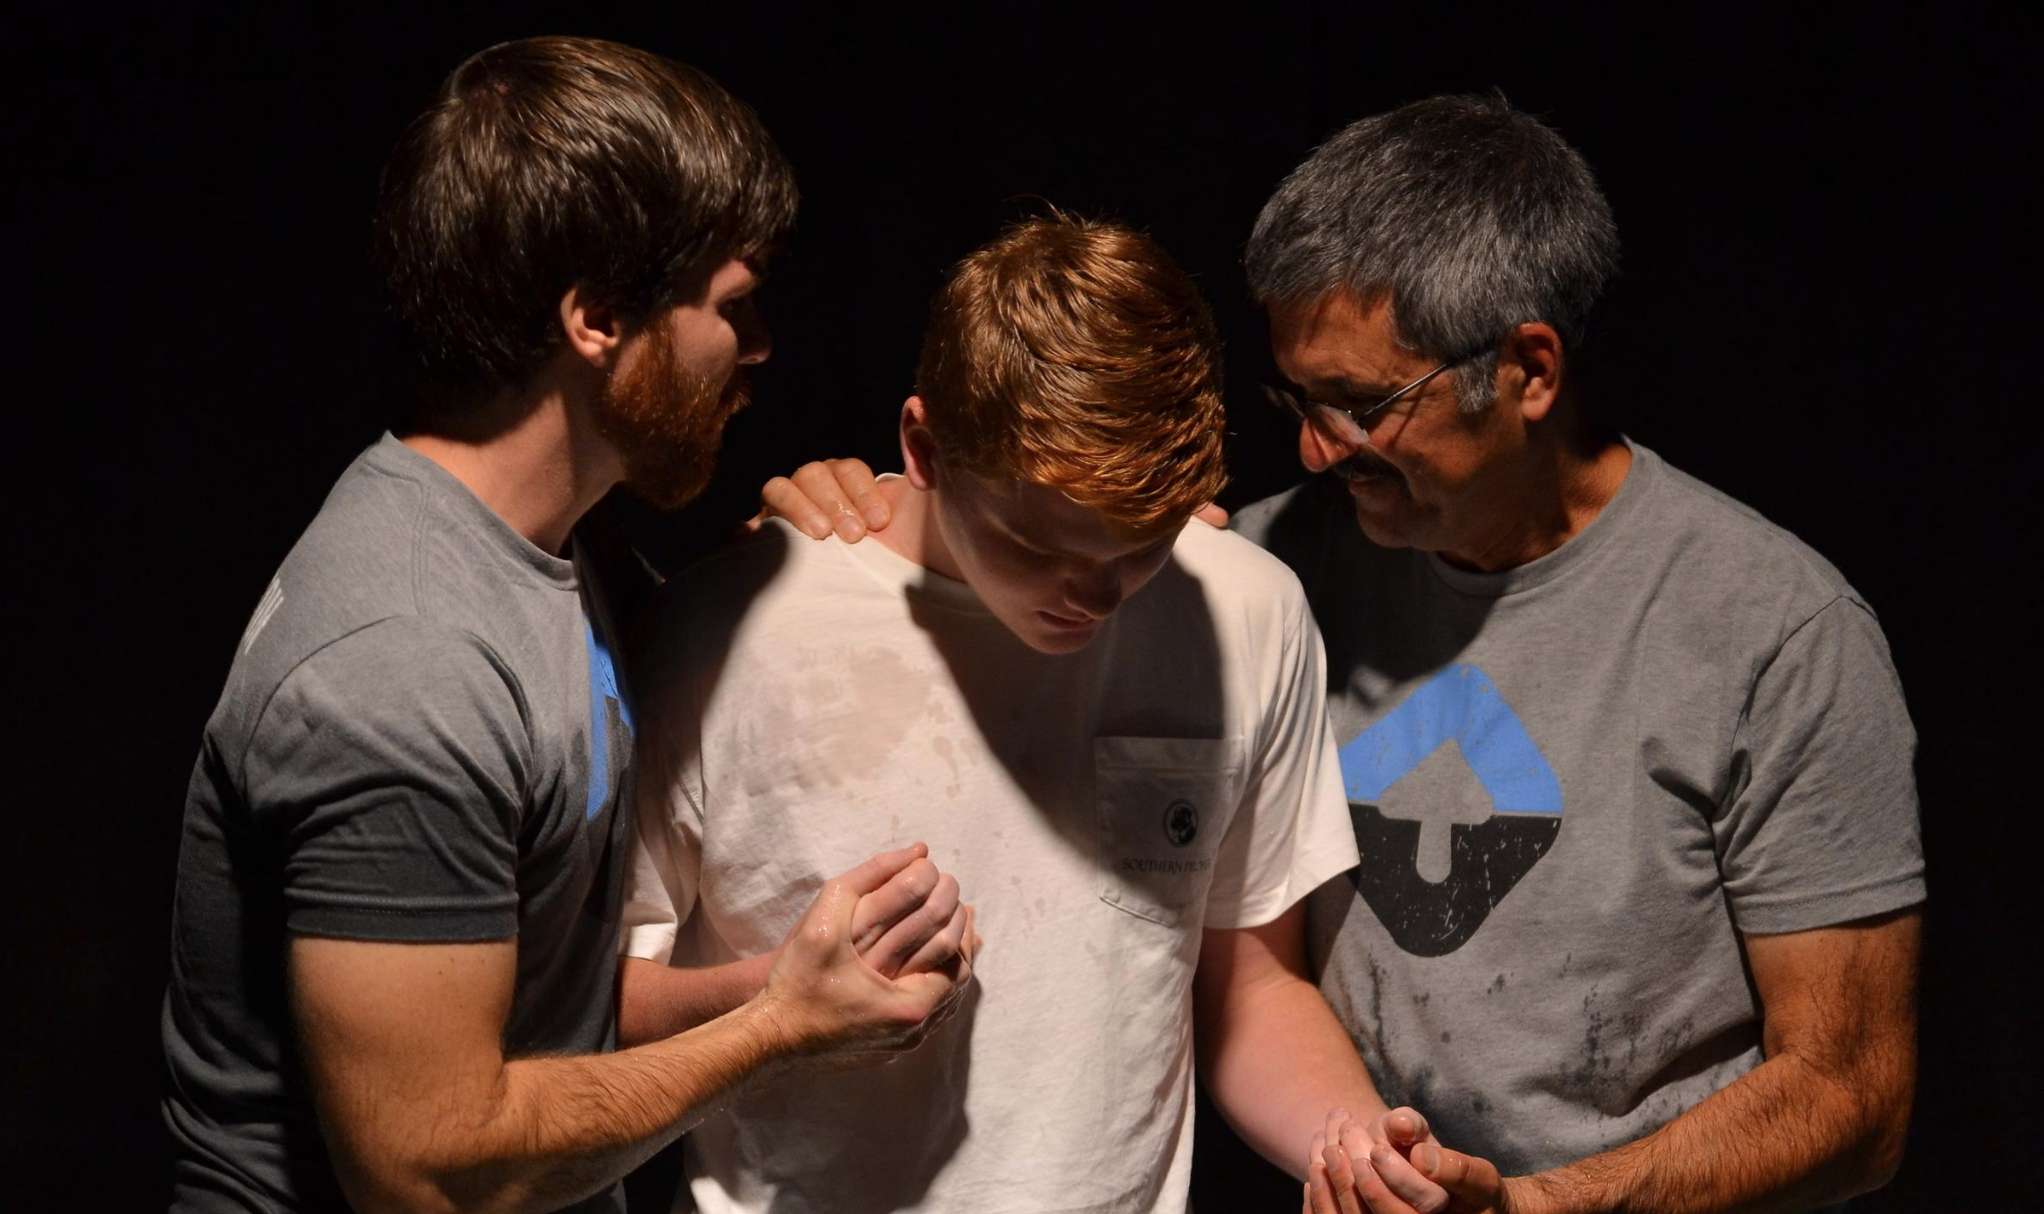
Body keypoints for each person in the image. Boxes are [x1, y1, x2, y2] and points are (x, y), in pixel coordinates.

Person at [767, 96, 1924, 1214]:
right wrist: (860, 529)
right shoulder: (1251, 579)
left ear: (1528, 370)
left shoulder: (1775, 633)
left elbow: (1851, 1097)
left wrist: (1530, 1205)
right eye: (1293, 398)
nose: (1318, 450)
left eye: (1361, 404)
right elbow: (1014, 540)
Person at [161, 37, 972, 1214]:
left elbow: (545, 1008)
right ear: (596, 318)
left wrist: (793, 986)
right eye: (731, 308)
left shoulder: (550, 555)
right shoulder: (409, 660)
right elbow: (430, 1167)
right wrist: (782, 1031)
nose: (757, 351)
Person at [618, 215, 1448, 1214]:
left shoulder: (1245, 610)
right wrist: (783, 998)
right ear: (922, 446)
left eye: (1134, 548)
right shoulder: (726, 625)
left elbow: (1250, 985)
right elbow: (592, 1012)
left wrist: (1354, 1148)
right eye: (1033, 543)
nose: (1090, 595)